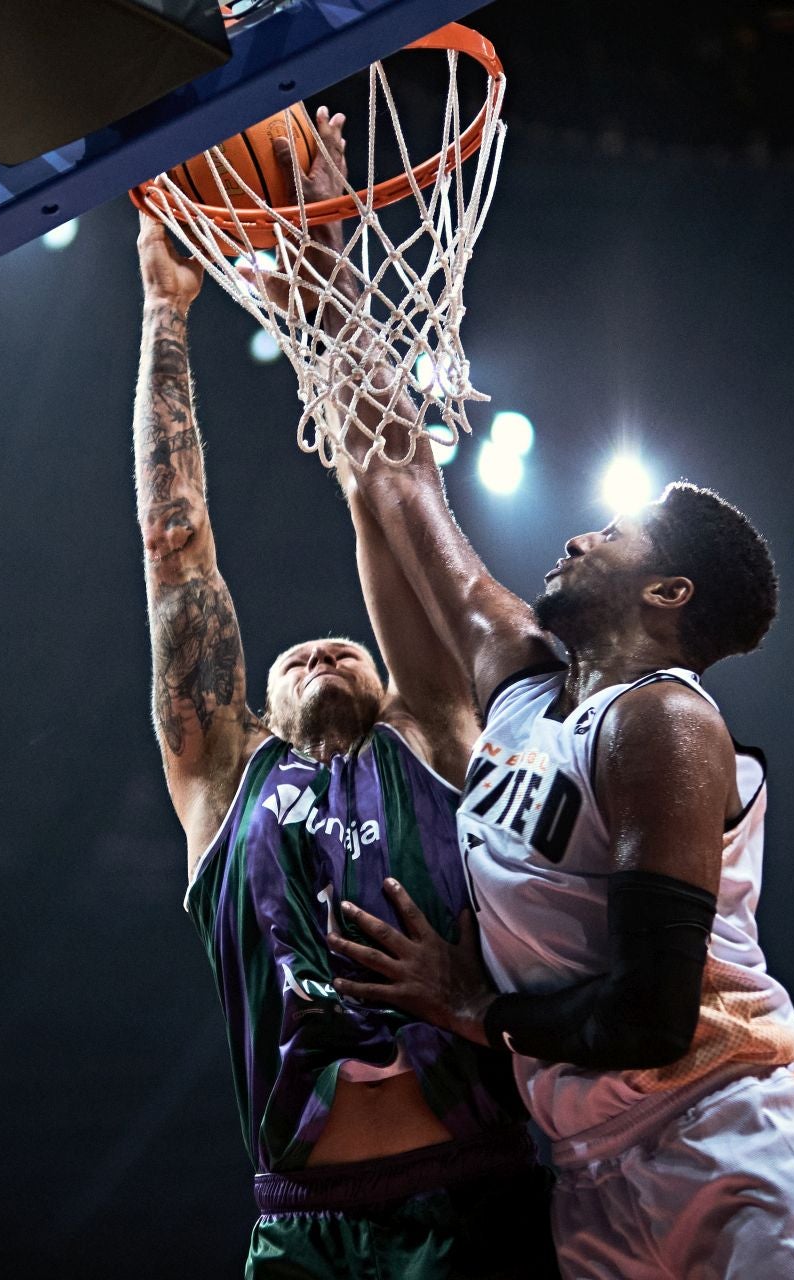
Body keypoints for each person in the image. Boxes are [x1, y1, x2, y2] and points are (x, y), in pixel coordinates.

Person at [317, 362, 794, 1274]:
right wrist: (324, 287)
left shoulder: (665, 720)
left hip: (733, 1135)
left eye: (614, 533)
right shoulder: (516, 686)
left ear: (667, 593)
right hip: (592, 1175)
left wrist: (475, 1003)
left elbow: (651, 1018)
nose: (581, 537)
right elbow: (401, 482)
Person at [130, 109, 558, 1280]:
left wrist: (325, 252)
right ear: (249, 704)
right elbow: (177, 545)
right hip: (301, 1229)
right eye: (295, 656)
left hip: (473, 1200)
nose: (324, 648)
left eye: (348, 650)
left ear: (392, 685)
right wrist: (167, 312)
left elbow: (388, 467)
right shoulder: (226, 781)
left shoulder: (434, 739)